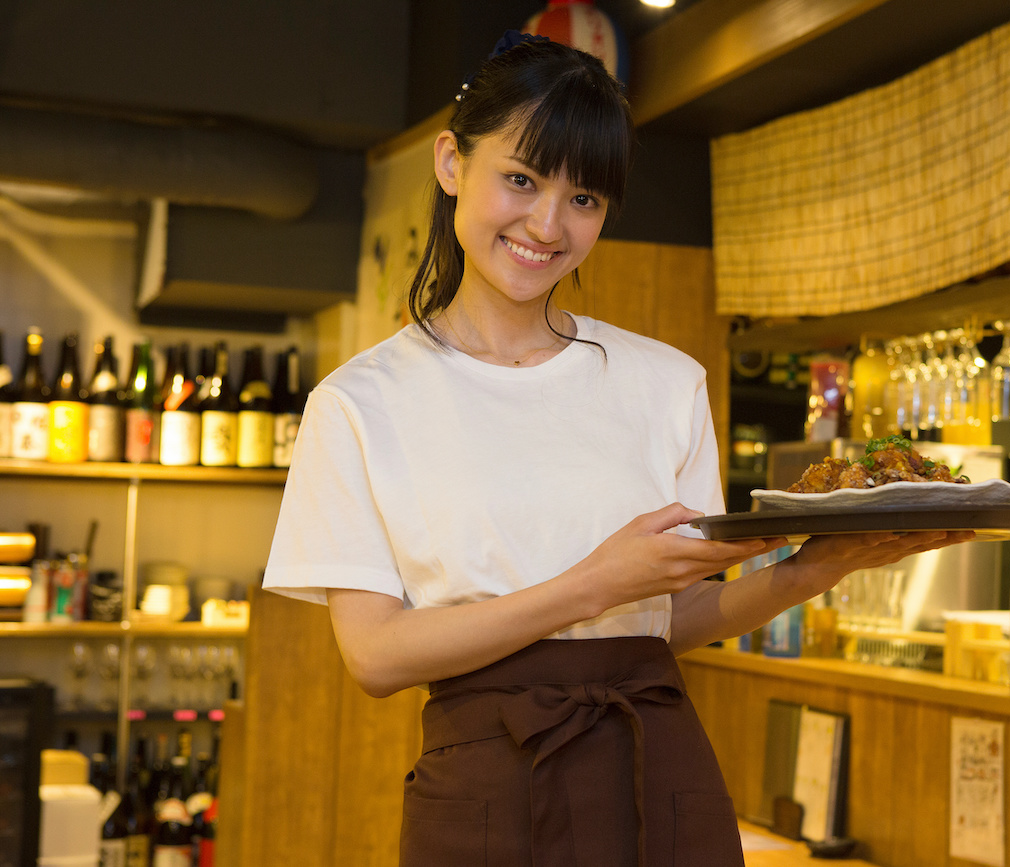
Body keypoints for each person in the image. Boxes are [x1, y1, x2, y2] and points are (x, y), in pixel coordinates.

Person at [261, 32, 972, 867]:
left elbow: (670, 619)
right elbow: (375, 656)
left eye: (585, 199)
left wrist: (811, 573)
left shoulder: (665, 383)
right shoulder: (359, 402)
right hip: (488, 782)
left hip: (657, 768)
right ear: (452, 161)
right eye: (520, 179)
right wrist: (590, 585)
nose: (547, 225)